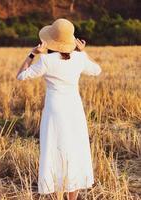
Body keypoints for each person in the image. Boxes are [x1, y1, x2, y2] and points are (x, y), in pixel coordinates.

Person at [16, 18, 101, 200]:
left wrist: (32, 53)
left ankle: (57, 191)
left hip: (55, 110)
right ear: (71, 40)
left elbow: (21, 76)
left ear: (51, 40)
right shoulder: (79, 58)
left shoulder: (46, 60)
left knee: (55, 148)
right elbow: (97, 70)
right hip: (74, 109)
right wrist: (84, 52)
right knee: (74, 148)